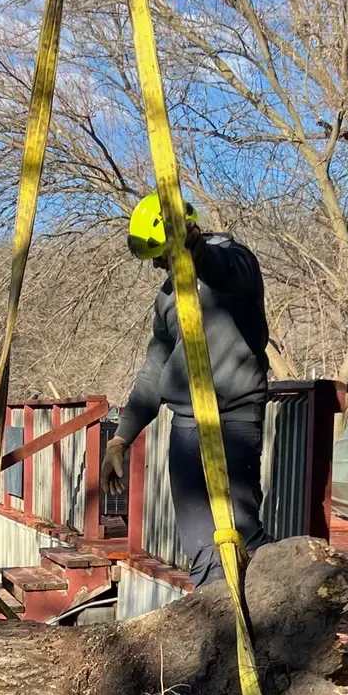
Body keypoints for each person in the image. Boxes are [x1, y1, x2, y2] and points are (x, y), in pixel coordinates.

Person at [101, 192, 270, 587]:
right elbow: (155, 368)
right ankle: (216, 627)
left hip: (234, 420)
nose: (158, 263)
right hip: (186, 426)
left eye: (161, 252)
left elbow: (225, 272)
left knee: (242, 533)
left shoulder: (234, 261)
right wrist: (121, 439)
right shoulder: (167, 296)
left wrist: (197, 251)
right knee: (201, 545)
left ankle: (300, 586)